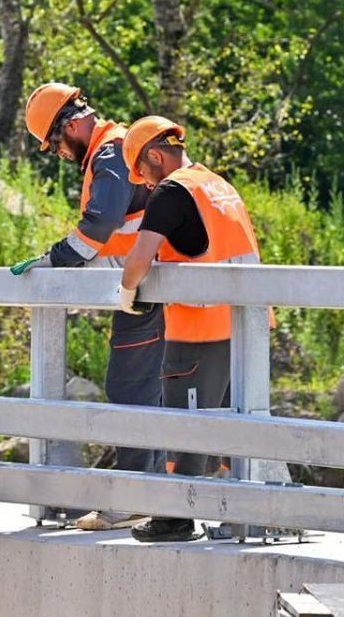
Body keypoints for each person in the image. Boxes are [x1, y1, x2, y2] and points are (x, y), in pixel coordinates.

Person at [11, 83, 165, 531]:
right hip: (146, 286)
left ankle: (134, 499)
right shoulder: (111, 151)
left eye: (56, 142)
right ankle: (153, 493)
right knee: (150, 394)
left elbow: (101, 223)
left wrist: (57, 259)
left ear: (74, 124)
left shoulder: (110, 153)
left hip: (147, 289)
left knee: (130, 391)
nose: (57, 152)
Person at [116, 115, 266, 542]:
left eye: (142, 172)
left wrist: (127, 293)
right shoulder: (219, 186)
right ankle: (257, 511)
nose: (143, 183)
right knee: (237, 425)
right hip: (244, 326)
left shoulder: (171, 191)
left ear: (155, 156)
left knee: (186, 422)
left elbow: (139, 258)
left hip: (198, 328)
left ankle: (175, 518)